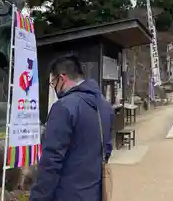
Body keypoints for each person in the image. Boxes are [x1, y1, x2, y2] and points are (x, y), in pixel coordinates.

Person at [29, 55, 114, 201]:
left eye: (53, 83)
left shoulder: (63, 107)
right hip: (95, 192)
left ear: (62, 79)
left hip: (67, 194)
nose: (54, 88)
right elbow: (107, 149)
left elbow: (51, 162)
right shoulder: (105, 106)